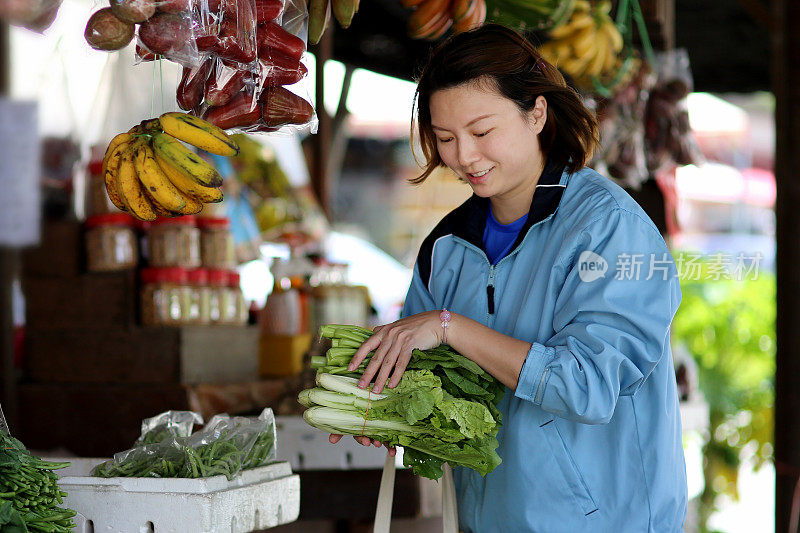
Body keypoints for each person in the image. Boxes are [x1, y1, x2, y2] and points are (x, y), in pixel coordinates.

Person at [329, 24, 687, 532]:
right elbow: (432, 379)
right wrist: (391, 412)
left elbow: (586, 387)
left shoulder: (609, 228)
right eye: (446, 138)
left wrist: (450, 326)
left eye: (481, 132)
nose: (464, 157)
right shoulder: (445, 248)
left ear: (536, 113)